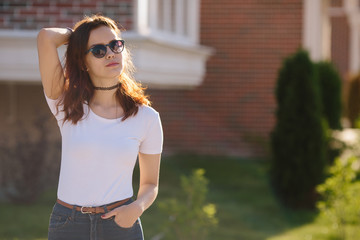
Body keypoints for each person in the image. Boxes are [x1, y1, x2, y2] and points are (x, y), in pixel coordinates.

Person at [37, 15, 163, 240]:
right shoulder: (66, 105)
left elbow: (151, 183)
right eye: (98, 50)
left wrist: (137, 208)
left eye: (115, 45)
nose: (111, 54)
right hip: (68, 224)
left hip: (121, 223)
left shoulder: (147, 117)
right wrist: (76, 37)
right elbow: (46, 37)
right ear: (83, 62)